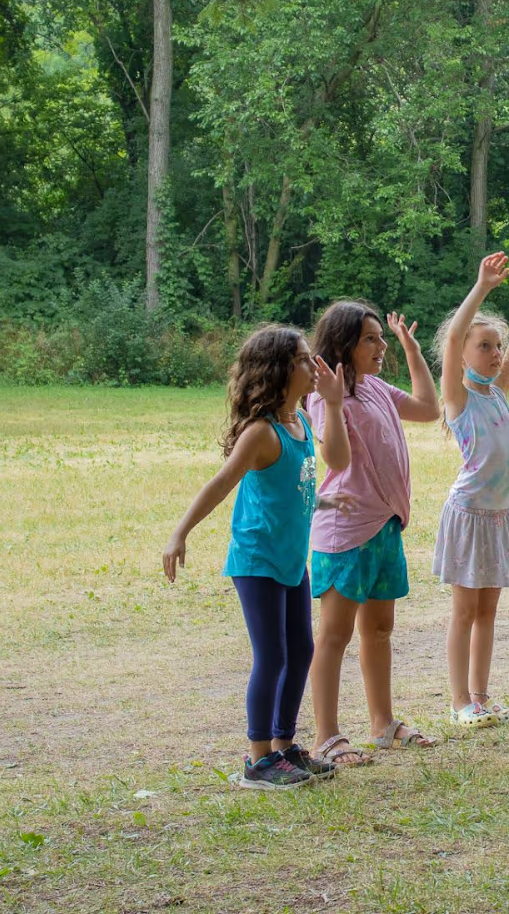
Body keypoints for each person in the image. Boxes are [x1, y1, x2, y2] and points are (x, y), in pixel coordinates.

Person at [162, 325, 351, 790]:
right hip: (257, 559)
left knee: (302, 649)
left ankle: (285, 747)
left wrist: (333, 405)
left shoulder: (302, 421)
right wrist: (179, 533)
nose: (314, 366)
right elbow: (221, 484)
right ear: (280, 368)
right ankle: (257, 758)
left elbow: (317, 477)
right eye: (305, 359)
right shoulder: (261, 432)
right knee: (271, 655)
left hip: (290, 559)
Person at [305, 300, 441, 766]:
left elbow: (428, 409)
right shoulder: (323, 396)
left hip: (384, 527)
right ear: (344, 343)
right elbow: (335, 461)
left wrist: (412, 348)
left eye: (382, 337)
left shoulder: (378, 388)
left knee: (380, 630)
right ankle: (327, 736)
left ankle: (382, 724)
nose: (381, 345)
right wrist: (333, 400)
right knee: (334, 635)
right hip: (345, 530)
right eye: (371, 338)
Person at [431, 240, 509, 728]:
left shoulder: (501, 394)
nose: (497, 353)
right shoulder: (458, 398)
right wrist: (481, 287)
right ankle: (460, 702)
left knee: (488, 611)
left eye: (496, 348)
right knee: (464, 612)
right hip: (468, 514)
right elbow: (457, 331)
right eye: (485, 346)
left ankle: (480, 696)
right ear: (461, 355)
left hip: (498, 517)